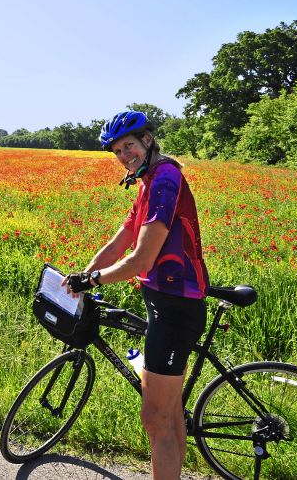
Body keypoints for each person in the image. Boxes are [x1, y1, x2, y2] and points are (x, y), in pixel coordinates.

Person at [63, 110, 209, 480]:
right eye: (117, 151)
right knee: (171, 416)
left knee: (156, 418)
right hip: (165, 303)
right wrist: (82, 275)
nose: (123, 155)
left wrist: (92, 281)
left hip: (176, 307)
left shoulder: (165, 179)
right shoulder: (146, 183)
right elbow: (119, 242)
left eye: (128, 145)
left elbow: (142, 258)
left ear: (147, 140)